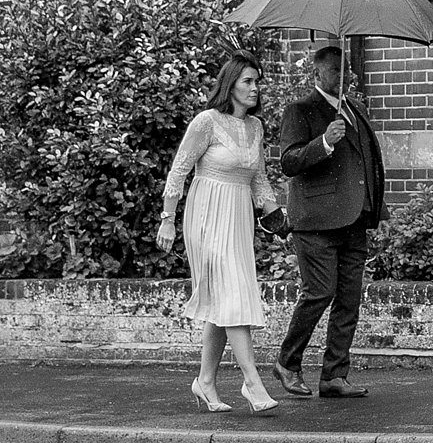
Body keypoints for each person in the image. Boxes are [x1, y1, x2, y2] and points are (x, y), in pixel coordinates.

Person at [158, 56, 284, 414]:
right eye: (247, 81)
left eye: (257, 81)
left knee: (222, 299)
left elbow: (258, 179)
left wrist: (276, 217)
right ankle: (252, 383)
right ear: (230, 85)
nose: (255, 87)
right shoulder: (207, 122)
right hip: (206, 213)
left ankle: (206, 382)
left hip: (238, 216)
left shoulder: (256, 127)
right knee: (232, 292)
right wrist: (167, 219)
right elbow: (178, 171)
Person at [275, 43, 386, 400]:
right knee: (319, 293)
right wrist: (323, 142)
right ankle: (287, 363)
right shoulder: (301, 111)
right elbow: (289, 162)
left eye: (347, 70)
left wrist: (374, 206)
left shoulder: (354, 109)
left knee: (349, 300)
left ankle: (334, 375)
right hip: (317, 222)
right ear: (317, 74)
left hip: (355, 220)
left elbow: (366, 162)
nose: (344, 77)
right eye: (336, 71)